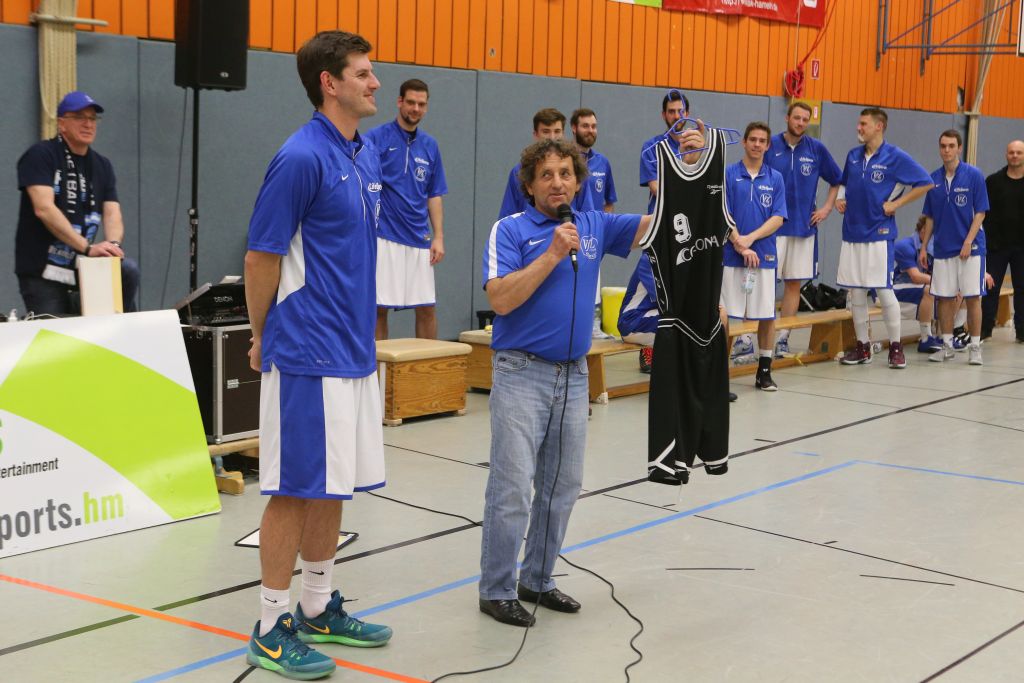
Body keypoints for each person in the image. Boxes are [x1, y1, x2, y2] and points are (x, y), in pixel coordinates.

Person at [477, 131, 701, 627]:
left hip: (574, 376)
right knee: (512, 487)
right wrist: (552, 254)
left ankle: (537, 579)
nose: (557, 183)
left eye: (565, 174)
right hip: (521, 374)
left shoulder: (594, 223)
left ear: (578, 182)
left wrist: (688, 169)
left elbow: (662, 222)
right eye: (546, 176)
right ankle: (496, 589)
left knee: (563, 485)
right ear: (530, 185)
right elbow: (500, 300)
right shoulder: (510, 231)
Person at [243, 30, 392, 680]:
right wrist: (261, 334)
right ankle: (270, 625)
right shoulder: (300, 156)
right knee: (295, 489)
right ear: (329, 83)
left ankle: (315, 604)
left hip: (353, 350)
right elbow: (261, 256)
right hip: (307, 350)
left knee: (334, 485)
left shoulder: (363, 153)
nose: (375, 82)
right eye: (363, 73)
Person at [15, 91, 140, 315]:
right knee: (58, 333)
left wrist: (113, 246)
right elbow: (44, 209)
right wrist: (88, 248)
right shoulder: (40, 155)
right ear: (61, 123)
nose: (88, 124)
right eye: (79, 117)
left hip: (83, 267)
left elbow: (112, 212)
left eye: (92, 118)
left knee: (127, 270)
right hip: (43, 270)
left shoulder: (102, 165)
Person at [836, 107, 932, 369]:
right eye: (859, 123)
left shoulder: (895, 156)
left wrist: (897, 204)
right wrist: (840, 198)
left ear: (879, 126)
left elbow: (925, 182)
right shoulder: (853, 155)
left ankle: (896, 348)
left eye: (863, 124)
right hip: (852, 232)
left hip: (879, 234)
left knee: (884, 290)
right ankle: (862, 347)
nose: (858, 128)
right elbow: (844, 182)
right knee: (856, 292)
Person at [365, 78, 448, 340]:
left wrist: (438, 237)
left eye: (421, 104)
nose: (415, 108)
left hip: (418, 237)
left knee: (426, 307)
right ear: (399, 102)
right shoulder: (375, 139)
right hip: (384, 235)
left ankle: (428, 365)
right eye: (411, 102)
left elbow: (434, 194)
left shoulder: (430, 145)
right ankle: (376, 365)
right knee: (378, 307)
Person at [764, 102, 842, 356]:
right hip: (772, 229)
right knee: (764, 284)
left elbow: (837, 180)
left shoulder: (816, 149)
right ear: (787, 118)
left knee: (793, 285)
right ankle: (750, 338)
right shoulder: (771, 145)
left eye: (804, 119)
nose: (800, 123)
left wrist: (826, 208)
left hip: (803, 229)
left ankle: (782, 339)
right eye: (796, 117)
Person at [722, 122, 788, 391]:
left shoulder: (776, 178)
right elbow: (722, 213)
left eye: (762, 141)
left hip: (764, 257)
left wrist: (750, 239)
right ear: (744, 142)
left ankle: (764, 372)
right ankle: (719, 376)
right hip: (731, 256)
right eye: (753, 140)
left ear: (768, 145)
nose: (757, 144)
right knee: (724, 316)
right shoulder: (728, 174)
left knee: (766, 315)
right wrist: (739, 243)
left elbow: (778, 217)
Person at [918, 129, 989, 365]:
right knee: (944, 298)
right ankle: (947, 345)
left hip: (971, 249)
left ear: (959, 148)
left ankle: (975, 347)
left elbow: (980, 212)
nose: (946, 150)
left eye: (951, 146)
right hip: (943, 249)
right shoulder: (933, 179)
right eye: (943, 146)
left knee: (973, 297)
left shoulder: (974, 175)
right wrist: (924, 247)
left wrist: (968, 241)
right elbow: (929, 217)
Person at [498, 108, 589, 218]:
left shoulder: (575, 170)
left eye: (557, 131)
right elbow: (508, 216)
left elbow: (587, 217)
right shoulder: (518, 172)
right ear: (536, 135)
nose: (552, 137)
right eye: (546, 132)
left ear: (563, 134)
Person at [980, 139, 1024, 342]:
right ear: (1006, 155)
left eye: (1019, 152)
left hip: (1022, 247)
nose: (1015, 155)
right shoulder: (993, 182)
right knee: (990, 288)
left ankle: (1022, 331)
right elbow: (983, 212)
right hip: (997, 246)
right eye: (1011, 152)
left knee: (1022, 289)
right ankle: (985, 329)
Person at [639, 89, 694, 214]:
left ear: (687, 114)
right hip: (661, 219)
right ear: (664, 115)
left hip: (690, 218)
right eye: (671, 111)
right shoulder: (651, 147)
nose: (677, 116)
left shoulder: (696, 147)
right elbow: (655, 188)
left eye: (681, 111)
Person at [893, 216, 940, 352]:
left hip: (915, 289)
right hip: (893, 289)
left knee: (955, 291)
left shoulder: (932, 248)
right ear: (923, 230)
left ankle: (943, 337)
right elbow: (916, 277)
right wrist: (942, 283)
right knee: (929, 289)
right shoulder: (904, 246)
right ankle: (925, 338)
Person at [570, 108, 617, 212]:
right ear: (574, 128)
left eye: (593, 126)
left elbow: (609, 203)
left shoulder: (603, 162)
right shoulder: (564, 160)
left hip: (595, 222)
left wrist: (603, 221)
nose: (590, 130)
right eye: (585, 126)